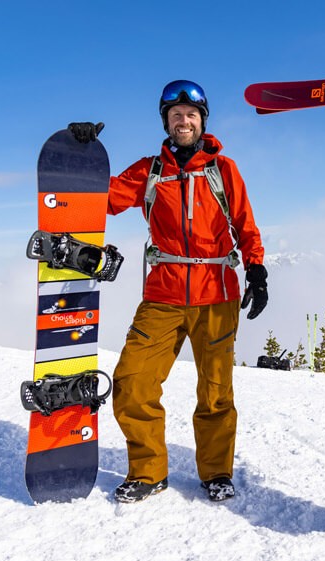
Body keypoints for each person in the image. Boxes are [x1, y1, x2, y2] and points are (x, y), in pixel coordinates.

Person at [68, 79, 267, 504]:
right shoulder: (149, 171)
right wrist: (81, 156)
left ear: (202, 120)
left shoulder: (223, 169)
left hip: (218, 293)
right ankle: (148, 471)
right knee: (132, 381)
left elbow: (245, 224)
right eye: (176, 115)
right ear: (166, 122)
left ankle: (216, 471)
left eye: (190, 115)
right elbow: (104, 198)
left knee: (216, 390)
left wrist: (258, 270)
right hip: (163, 294)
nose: (183, 121)